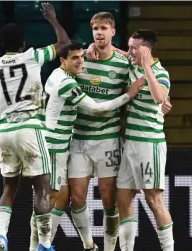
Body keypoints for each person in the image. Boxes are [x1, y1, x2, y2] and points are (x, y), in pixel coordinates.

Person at [0, 3, 69, 251]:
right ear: (23, 42)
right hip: (30, 127)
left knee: (9, 188)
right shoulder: (32, 56)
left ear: (2, 45)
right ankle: (44, 244)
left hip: (5, 131)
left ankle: (1, 235)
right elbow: (65, 44)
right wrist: (53, 20)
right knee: (42, 186)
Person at [42, 41, 144, 249]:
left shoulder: (115, 62)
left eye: (104, 28)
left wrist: (163, 98)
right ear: (64, 61)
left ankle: (101, 248)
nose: (80, 61)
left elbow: (144, 69)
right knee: (68, 198)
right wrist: (128, 95)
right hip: (70, 142)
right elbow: (97, 108)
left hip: (105, 141)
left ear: (112, 32)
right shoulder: (69, 77)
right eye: (95, 28)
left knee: (108, 201)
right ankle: (52, 245)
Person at [116, 29, 174, 251]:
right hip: (129, 142)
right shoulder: (130, 64)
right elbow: (114, 51)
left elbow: (160, 97)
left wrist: (147, 66)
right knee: (123, 199)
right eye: (129, 46)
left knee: (153, 200)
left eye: (134, 47)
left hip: (149, 143)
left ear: (147, 50)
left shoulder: (160, 73)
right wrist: (93, 48)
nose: (129, 51)